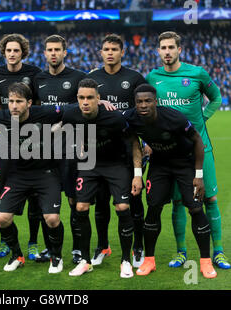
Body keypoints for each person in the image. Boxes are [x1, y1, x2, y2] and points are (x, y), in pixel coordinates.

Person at [146, 31, 230, 269]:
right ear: (158, 51)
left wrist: (203, 118)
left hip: (200, 147)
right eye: (163, 48)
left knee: (210, 199)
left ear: (179, 50)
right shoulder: (153, 77)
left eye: (171, 47)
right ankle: (181, 251)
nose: (167, 52)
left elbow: (216, 98)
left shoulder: (197, 73)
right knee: (178, 202)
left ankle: (219, 251)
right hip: (170, 153)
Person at [0, 82, 67, 274]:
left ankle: (56, 257)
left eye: (19, 102)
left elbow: (71, 111)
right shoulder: (2, 117)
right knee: (3, 218)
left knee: (52, 218)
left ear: (29, 103)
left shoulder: (45, 113)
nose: (14, 106)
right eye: (11, 101)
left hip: (45, 173)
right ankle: (17, 255)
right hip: (17, 175)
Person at [123, 84, 217, 279]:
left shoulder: (174, 118)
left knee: (195, 208)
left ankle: (205, 262)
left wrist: (198, 176)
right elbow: (133, 142)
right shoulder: (130, 118)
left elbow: (198, 140)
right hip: (159, 164)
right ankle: (149, 260)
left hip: (184, 163)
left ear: (156, 102)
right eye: (139, 101)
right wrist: (138, 174)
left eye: (148, 101)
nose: (143, 105)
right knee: (154, 207)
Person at [64, 78, 143, 278]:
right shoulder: (71, 114)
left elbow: (134, 142)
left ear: (99, 98)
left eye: (90, 97)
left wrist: (137, 175)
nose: (85, 102)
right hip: (90, 165)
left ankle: (126, 261)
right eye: (81, 97)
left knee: (122, 208)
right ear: (77, 99)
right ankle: (85, 261)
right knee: (80, 208)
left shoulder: (115, 118)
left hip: (116, 164)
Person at [87, 34, 147, 268]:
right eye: (105, 48)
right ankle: (102, 246)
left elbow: (145, 109)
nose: (109, 52)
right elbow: (83, 105)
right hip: (100, 150)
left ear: (123, 52)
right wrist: (98, 102)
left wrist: (146, 140)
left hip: (127, 149)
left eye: (114, 49)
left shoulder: (134, 78)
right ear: (100, 53)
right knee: (101, 202)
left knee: (133, 200)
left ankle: (138, 246)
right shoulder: (91, 78)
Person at [33, 34, 86, 264]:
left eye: (57, 50)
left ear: (65, 52)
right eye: (49, 50)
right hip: (45, 150)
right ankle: (50, 248)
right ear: (44, 53)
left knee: (75, 201)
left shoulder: (78, 78)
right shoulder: (38, 80)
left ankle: (77, 249)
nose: (53, 53)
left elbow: (85, 107)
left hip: (72, 150)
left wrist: (63, 123)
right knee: (45, 201)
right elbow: (32, 109)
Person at [0, 33, 44, 260]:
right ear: (4, 53)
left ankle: (33, 243)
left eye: (16, 50)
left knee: (34, 193)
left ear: (23, 52)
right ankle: (5, 242)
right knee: (0, 189)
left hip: (31, 138)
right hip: (4, 139)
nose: (12, 54)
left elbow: (40, 102)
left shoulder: (34, 74)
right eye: (8, 50)